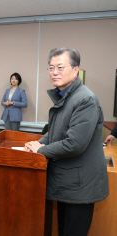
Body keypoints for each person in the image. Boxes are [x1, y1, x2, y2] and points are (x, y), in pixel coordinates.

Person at [24, 47, 109, 236]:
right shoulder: (65, 96)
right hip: (67, 181)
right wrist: (37, 143)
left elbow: (74, 144)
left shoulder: (85, 99)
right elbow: (55, 132)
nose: (54, 72)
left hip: (80, 184)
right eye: (51, 67)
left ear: (76, 69)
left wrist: (41, 150)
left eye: (60, 67)